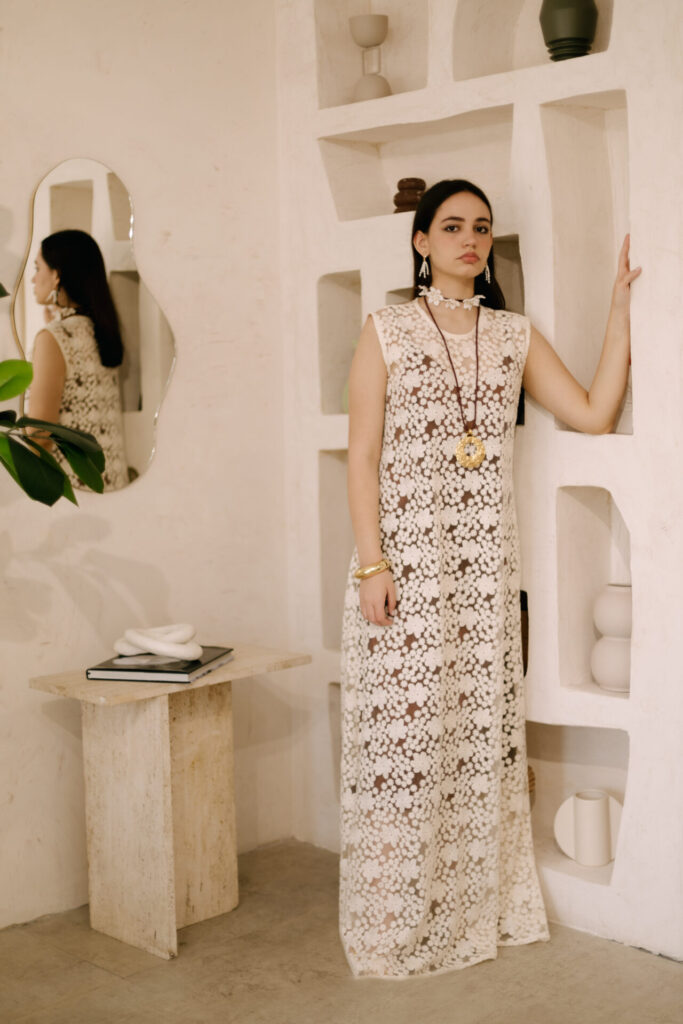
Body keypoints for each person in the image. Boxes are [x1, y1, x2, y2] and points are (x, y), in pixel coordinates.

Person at [339, 179, 640, 978]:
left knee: (469, 740)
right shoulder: (386, 329)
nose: (469, 239)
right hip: (403, 564)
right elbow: (361, 456)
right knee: (403, 742)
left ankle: (468, 903)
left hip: (481, 575)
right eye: (451, 227)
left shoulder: (511, 335)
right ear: (420, 242)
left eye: (480, 227)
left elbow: (591, 412)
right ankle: (395, 914)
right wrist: (372, 563)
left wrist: (620, 311)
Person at [29, 228, 128, 490]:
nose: (32, 278)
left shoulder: (54, 338)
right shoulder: (100, 329)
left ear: (57, 275)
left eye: (37, 268)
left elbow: (40, 436)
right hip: (114, 485)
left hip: (74, 492)